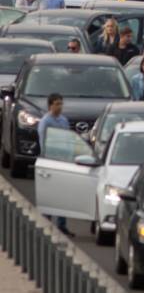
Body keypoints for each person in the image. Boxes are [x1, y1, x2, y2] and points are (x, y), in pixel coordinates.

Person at [38, 93, 74, 236]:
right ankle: (46, 222)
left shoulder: (64, 120)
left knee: (62, 194)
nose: (60, 106)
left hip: (63, 162)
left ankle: (61, 225)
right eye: (57, 104)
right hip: (50, 161)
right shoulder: (45, 121)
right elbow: (43, 142)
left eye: (61, 103)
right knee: (50, 193)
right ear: (50, 105)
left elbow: (68, 139)